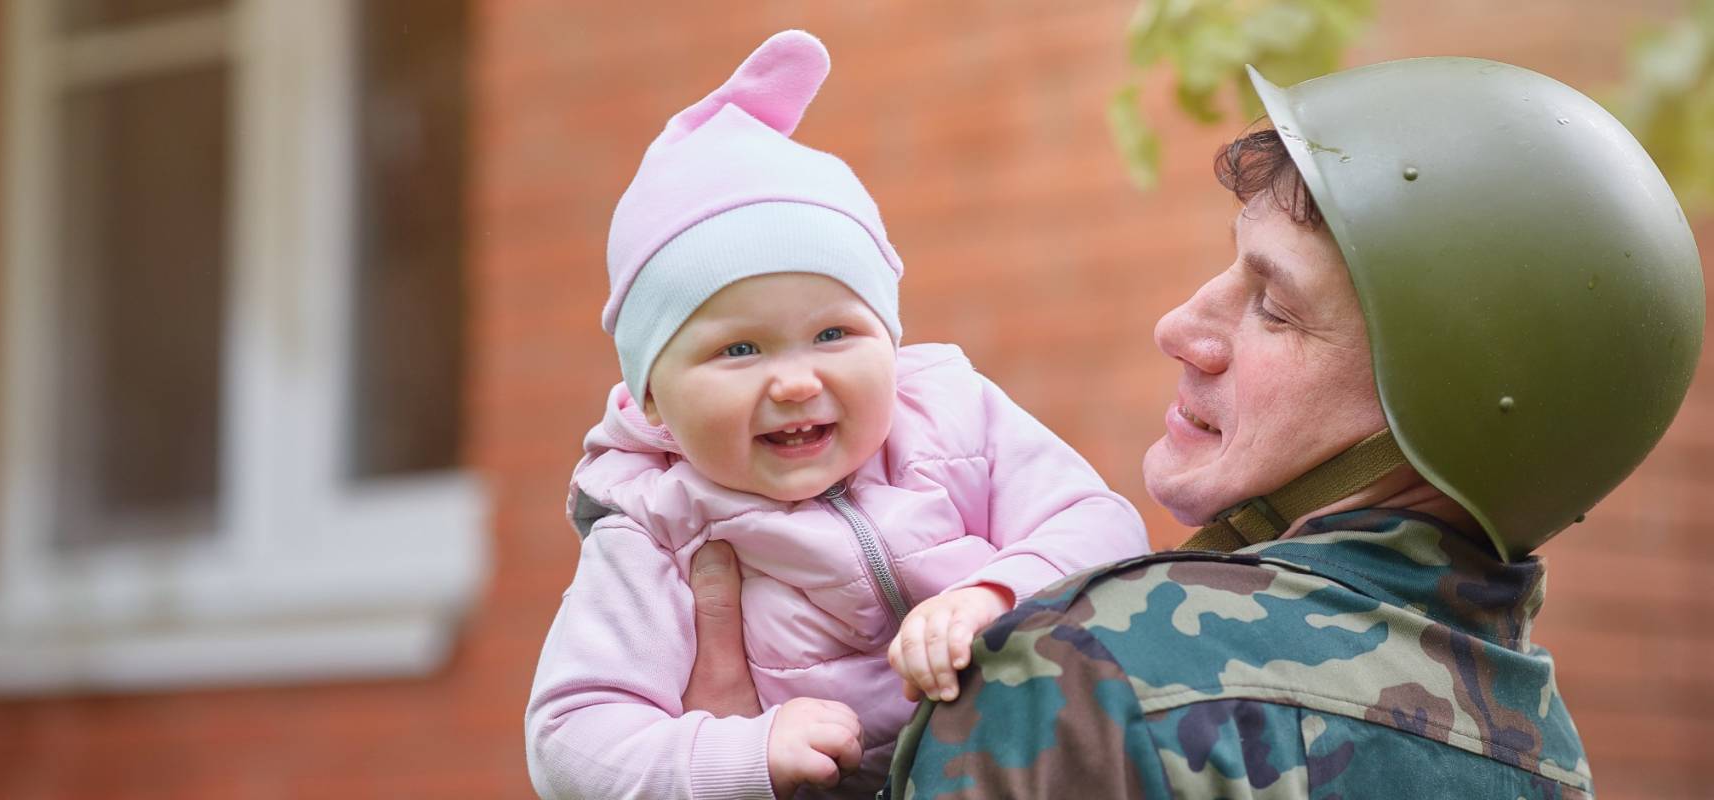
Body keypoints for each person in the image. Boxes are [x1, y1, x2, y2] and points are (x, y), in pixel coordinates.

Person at [874, 59, 1704, 798]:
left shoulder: (1093, 674)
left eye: (1275, 307)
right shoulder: (1541, 757)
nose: (1180, 326)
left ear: (1438, 410)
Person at [523, 31, 1150, 799]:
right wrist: (745, 754)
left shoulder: (954, 414)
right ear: (651, 397)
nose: (795, 381)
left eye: (833, 334)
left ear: (889, 338)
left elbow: (1101, 523)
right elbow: (571, 738)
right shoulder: (655, 526)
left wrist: (990, 593)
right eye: (740, 349)